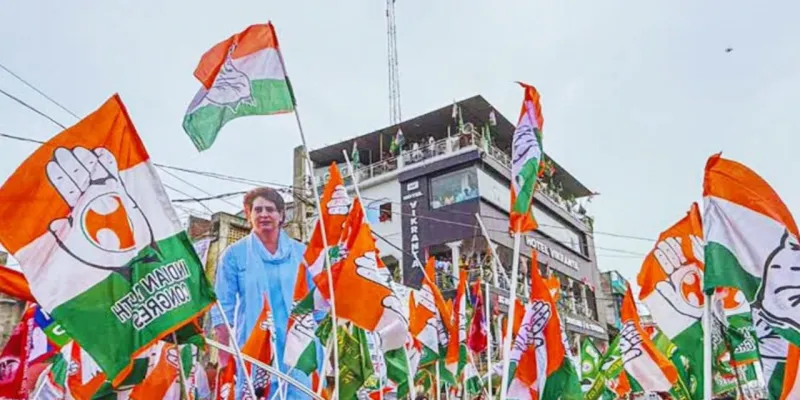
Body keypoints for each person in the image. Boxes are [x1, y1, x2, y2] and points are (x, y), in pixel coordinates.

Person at [210, 187, 321, 399]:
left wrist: (322, 350)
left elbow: (319, 306)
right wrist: (226, 360)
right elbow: (222, 311)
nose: (263, 215)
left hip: (298, 351)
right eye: (257, 210)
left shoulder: (303, 254)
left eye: (270, 209)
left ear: (281, 215)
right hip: (254, 349)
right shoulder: (234, 255)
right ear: (249, 215)